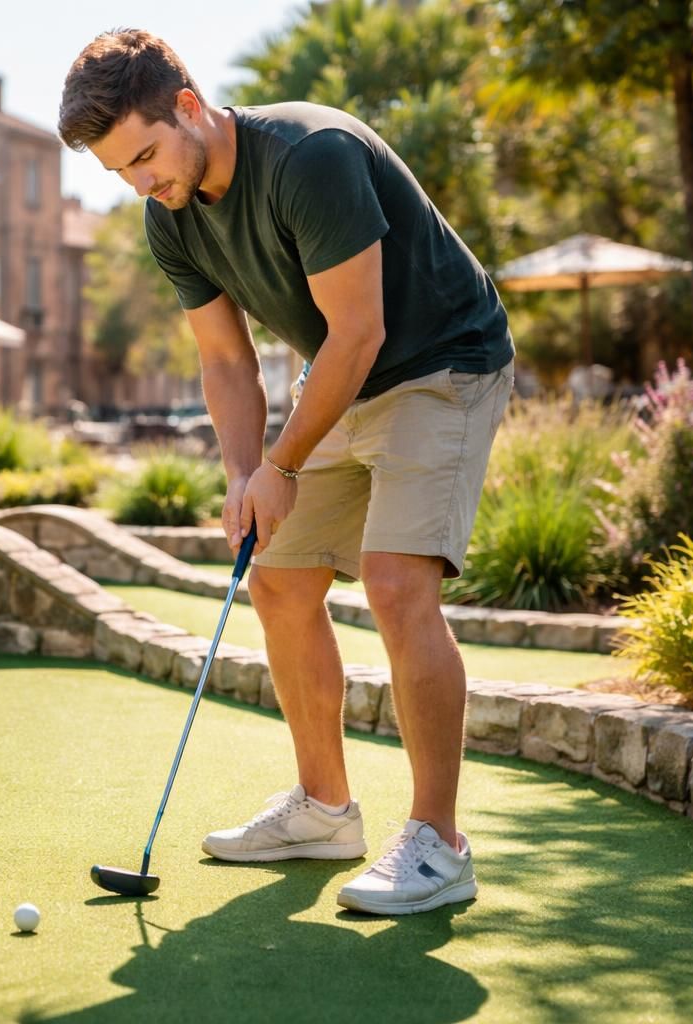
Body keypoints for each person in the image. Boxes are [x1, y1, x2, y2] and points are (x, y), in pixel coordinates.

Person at [59, 29, 515, 916]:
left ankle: (439, 844)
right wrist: (242, 475)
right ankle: (323, 809)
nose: (143, 184)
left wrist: (282, 462)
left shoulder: (312, 156)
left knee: (394, 585)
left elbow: (361, 333)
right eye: (121, 173)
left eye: (146, 156)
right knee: (279, 581)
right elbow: (226, 363)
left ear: (188, 107)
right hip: (341, 377)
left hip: (441, 363)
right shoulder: (170, 215)